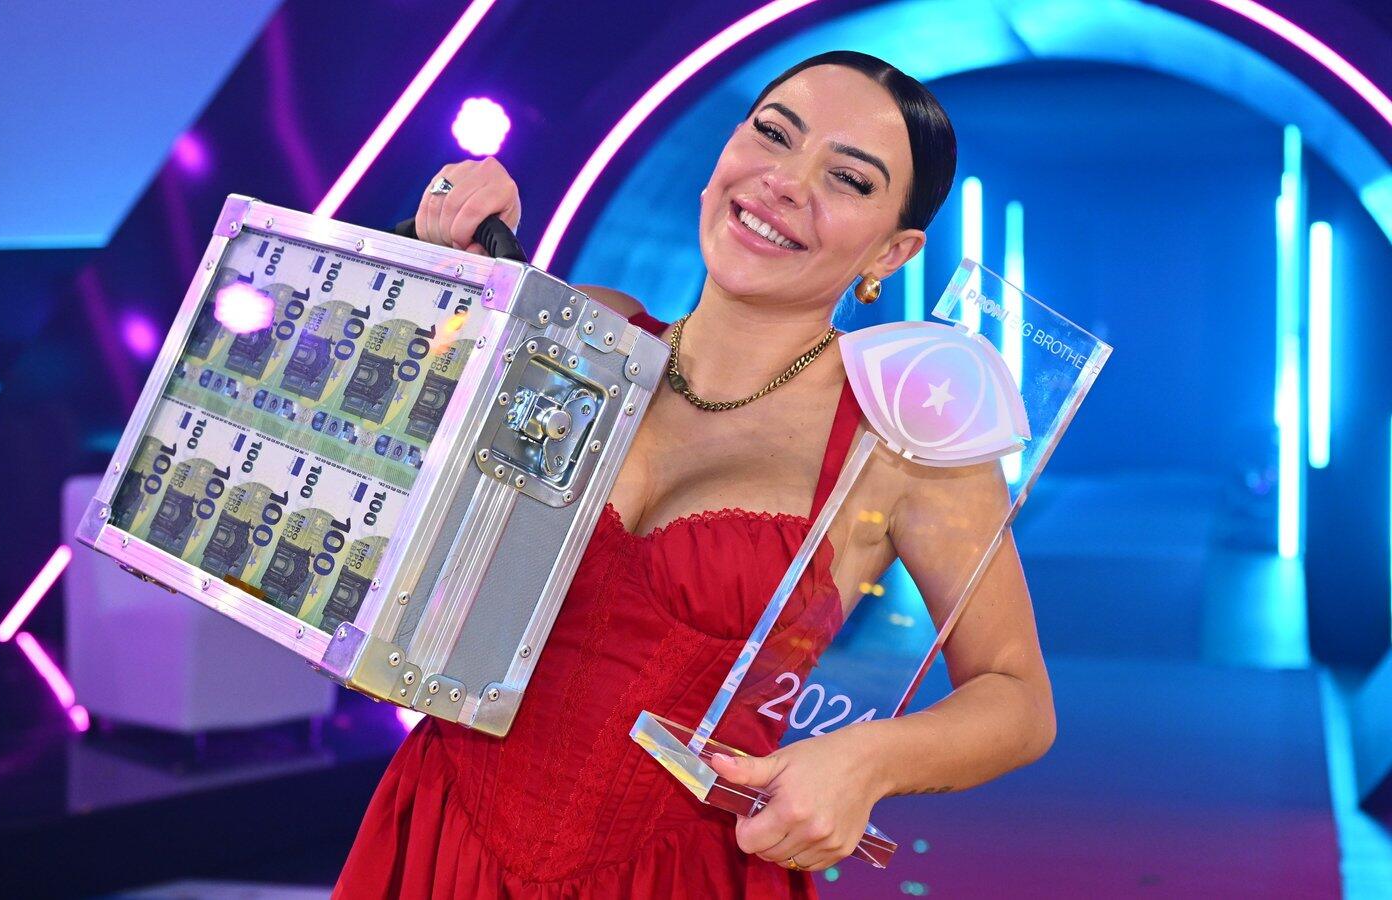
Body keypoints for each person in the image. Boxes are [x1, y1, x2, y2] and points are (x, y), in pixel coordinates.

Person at [334, 51, 1056, 898]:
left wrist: (867, 760)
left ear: (892, 252)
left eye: (848, 179)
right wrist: (435, 242)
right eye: (774, 135)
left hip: (684, 874)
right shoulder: (581, 332)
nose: (785, 182)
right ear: (724, 152)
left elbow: (1017, 699)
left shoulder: (898, 441)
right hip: (438, 839)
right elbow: (337, 421)